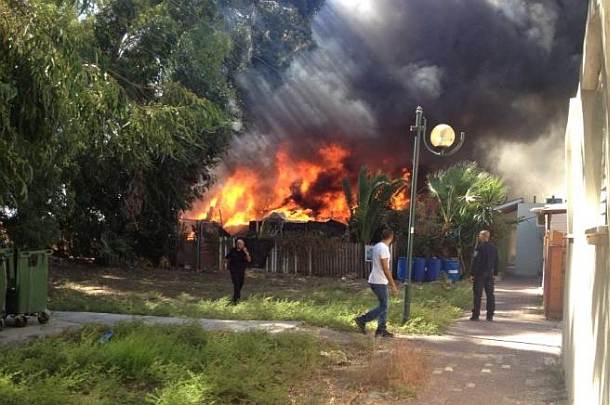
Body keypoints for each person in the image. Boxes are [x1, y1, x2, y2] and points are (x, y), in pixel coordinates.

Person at [354, 228, 398, 338]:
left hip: (375, 279)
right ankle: (362, 320)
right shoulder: (384, 249)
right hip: (379, 281)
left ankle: (381, 330)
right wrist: (392, 284)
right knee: (384, 306)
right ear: (391, 237)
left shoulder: (377, 246)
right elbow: (385, 268)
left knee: (383, 305)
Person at [470, 230, 499, 321]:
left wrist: (472, 274)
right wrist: (495, 273)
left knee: (477, 295)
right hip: (490, 274)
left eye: (479, 236)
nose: (479, 237)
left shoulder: (479, 248)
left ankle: (476, 315)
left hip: (479, 274)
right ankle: (490, 315)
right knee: (490, 295)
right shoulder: (494, 248)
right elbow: (497, 261)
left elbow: (476, 262)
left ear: (483, 237)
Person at [225, 238, 251, 305]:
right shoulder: (233, 250)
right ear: (236, 244)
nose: (239, 245)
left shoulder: (244, 252)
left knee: (240, 284)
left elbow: (249, 260)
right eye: (238, 243)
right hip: (234, 270)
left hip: (241, 270)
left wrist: (246, 253)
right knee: (236, 284)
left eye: (241, 244)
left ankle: (235, 298)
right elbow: (227, 258)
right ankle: (236, 300)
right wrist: (225, 265)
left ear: (243, 245)